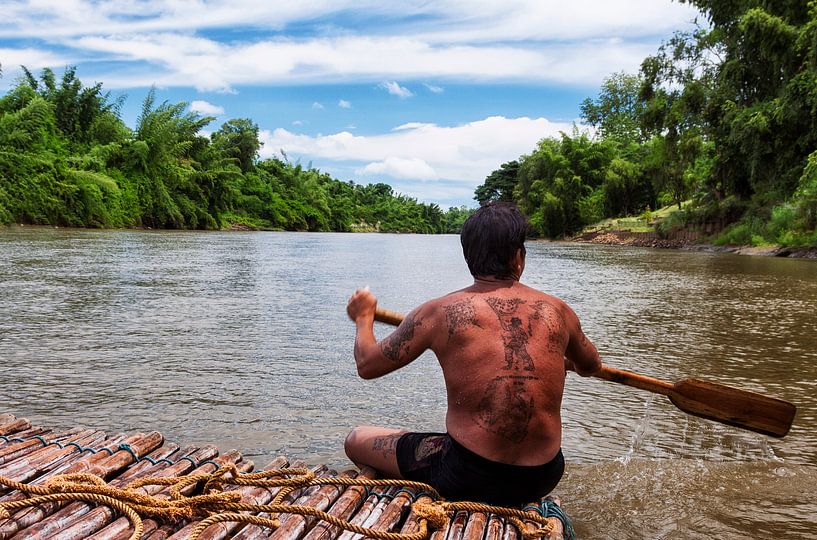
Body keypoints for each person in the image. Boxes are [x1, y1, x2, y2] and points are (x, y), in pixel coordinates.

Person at [344, 202, 602, 506]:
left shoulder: (437, 313)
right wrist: (563, 360)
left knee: (357, 439)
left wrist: (363, 317)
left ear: (468, 257)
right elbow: (591, 365)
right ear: (519, 257)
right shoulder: (558, 311)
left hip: (468, 474)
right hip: (543, 475)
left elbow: (367, 364)